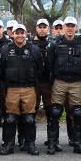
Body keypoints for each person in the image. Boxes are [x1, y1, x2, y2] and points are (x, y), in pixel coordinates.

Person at [0, 24, 43, 155]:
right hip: (12, 89)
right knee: (10, 119)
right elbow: (1, 70)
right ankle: (8, 145)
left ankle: (30, 144)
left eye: (22, 33)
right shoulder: (5, 49)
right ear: (12, 34)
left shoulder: (34, 49)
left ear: (26, 34)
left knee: (29, 119)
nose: (19, 35)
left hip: (29, 88)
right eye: (17, 33)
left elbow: (40, 69)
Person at [48, 16, 81, 154]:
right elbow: (50, 63)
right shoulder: (55, 43)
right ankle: (53, 143)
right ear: (64, 27)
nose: (70, 28)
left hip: (76, 82)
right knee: (55, 112)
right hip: (59, 81)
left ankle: (78, 143)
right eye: (68, 25)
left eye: (72, 26)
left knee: (78, 113)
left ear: (76, 27)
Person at [32, 19, 55, 151]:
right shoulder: (30, 43)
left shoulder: (53, 44)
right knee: (31, 112)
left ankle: (52, 141)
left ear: (48, 29)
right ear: (36, 28)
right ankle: (29, 141)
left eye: (44, 27)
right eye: (40, 27)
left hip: (48, 83)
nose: (42, 29)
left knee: (51, 112)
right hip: (34, 83)